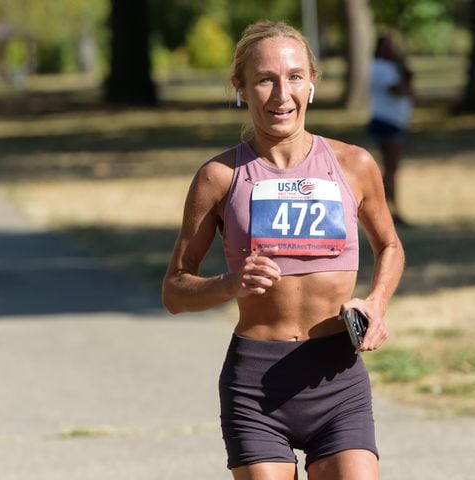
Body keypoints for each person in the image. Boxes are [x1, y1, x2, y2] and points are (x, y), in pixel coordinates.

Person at [162, 20, 404, 480]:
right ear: (241, 87)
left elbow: (389, 244)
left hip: (337, 379)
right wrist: (230, 283)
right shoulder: (219, 177)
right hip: (256, 386)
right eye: (264, 80)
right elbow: (175, 291)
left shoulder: (354, 165)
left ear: (313, 81)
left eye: (294, 77)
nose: (281, 95)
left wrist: (376, 304)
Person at [367, 34, 414, 227]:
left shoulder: (382, 67)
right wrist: (408, 78)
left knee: (390, 168)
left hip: (390, 121)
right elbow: (399, 90)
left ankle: (390, 209)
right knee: (391, 169)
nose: (391, 50)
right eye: (387, 46)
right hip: (388, 121)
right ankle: (390, 210)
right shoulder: (383, 68)